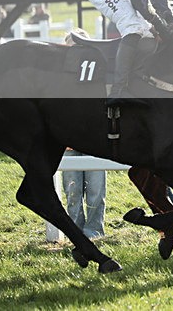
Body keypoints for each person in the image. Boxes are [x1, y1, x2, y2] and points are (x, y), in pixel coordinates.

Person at [62, 30, 107, 238]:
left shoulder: (97, 76)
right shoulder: (60, 78)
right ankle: (76, 230)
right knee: (72, 190)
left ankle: (94, 230)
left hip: (93, 141)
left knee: (96, 189)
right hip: (69, 142)